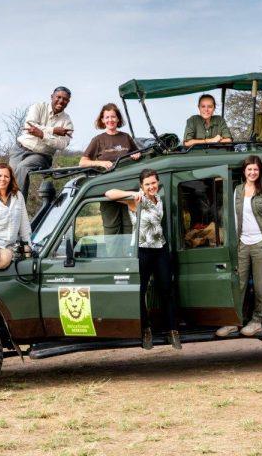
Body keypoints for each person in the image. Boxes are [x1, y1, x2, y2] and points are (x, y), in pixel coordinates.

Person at [106, 169, 181, 350]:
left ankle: (172, 330)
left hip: (160, 248)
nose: (151, 186)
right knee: (140, 291)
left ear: (158, 182)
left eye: (153, 183)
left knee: (166, 289)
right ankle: (146, 330)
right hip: (142, 250)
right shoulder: (136, 199)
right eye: (147, 184)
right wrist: (132, 194)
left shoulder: (159, 199)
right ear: (141, 185)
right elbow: (109, 194)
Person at [216, 155, 262, 337]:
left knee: (261, 286)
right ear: (244, 171)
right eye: (249, 169)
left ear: (260, 171)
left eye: (256, 169)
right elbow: (235, 218)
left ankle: (256, 321)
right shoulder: (238, 190)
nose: (252, 172)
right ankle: (233, 322)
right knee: (238, 285)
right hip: (242, 244)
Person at [80, 103, 142, 237]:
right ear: (102, 120)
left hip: (127, 190)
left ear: (118, 119)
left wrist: (137, 155)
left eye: (113, 117)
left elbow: (137, 154)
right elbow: (83, 162)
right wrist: (100, 162)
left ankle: (129, 251)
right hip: (107, 191)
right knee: (111, 231)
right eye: (107, 117)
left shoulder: (126, 137)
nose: (110, 120)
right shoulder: (98, 140)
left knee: (130, 228)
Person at [9, 86, 74, 199]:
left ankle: (18, 206)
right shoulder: (38, 107)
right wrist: (53, 131)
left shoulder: (67, 122)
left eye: (65, 99)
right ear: (52, 97)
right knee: (8, 178)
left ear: (68, 101)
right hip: (20, 149)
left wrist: (42, 134)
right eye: (58, 97)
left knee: (23, 168)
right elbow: (29, 126)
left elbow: (62, 144)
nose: (61, 101)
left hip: (41, 155)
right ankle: (5, 206)